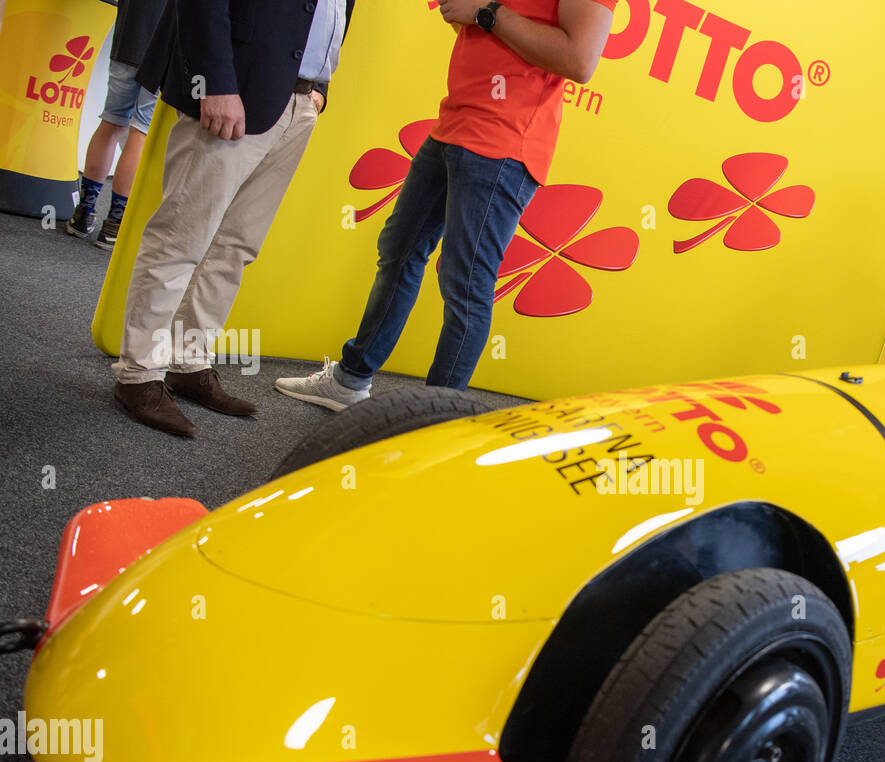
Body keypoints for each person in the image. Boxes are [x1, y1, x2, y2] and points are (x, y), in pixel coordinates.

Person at [275, 0, 617, 412]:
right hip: (456, 123)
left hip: (504, 145)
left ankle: (428, 422)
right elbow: (484, 32)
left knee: (466, 285)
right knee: (399, 251)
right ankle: (351, 380)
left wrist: (487, 12)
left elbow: (579, 60)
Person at [111, 0, 352, 438]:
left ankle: (188, 361)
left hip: (298, 98)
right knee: (180, 239)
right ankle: (139, 376)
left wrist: (320, 87)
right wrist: (216, 84)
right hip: (234, 87)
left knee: (236, 245)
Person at [65, 0, 167, 250]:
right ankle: (114, 223)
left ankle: (84, 213)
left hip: (128, 40)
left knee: (111, 121)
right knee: (141, 131)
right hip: (163, 49)